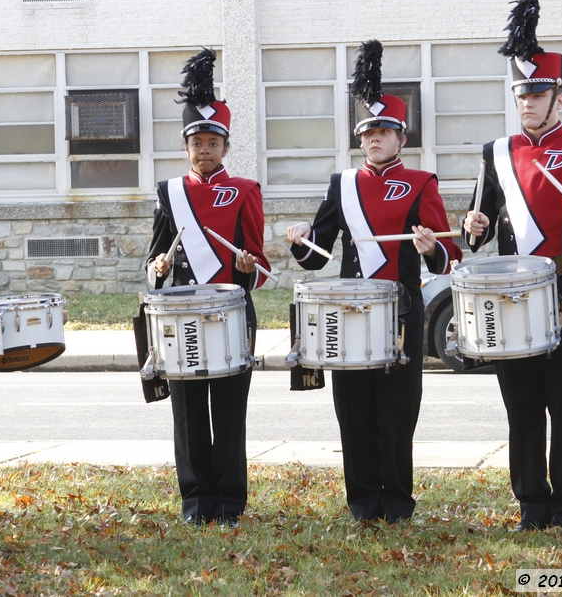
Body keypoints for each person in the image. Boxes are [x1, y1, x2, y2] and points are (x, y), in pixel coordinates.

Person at [462, 0, 562, 533]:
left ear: (559, 96)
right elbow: (477, 224)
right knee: (521, 402)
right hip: (510, 295)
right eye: (520, 93)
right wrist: (472, 227)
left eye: (537, 92)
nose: (527, 102)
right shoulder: (496, 151)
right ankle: (531, 504)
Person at [287, 40, 462, 523]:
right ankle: (362, 501)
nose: (374, 140)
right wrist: (301, 238)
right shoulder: (341, 184)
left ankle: (397, 502)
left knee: (398, 409)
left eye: (384, 131)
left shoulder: (423, 182)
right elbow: (316, 253)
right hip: (348, 307)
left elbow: (449, 255)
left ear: (401, 137)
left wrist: (432, 248)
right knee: (354, 408)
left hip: (401, 306)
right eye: (367, 133)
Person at [144, 48, 269, 528]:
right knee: (187, 410)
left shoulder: (245, 190)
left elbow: (259, 262)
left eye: (213, 141)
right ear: (186, 146)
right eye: (196, 141)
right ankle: (196, 502)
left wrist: (244, 264)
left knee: (230, 409)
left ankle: (231, 502)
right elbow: (154, 258)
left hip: (233, 310)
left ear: (225, 146)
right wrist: (157, 266)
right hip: (181, 313)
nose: (204, 149)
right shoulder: (169, 193)